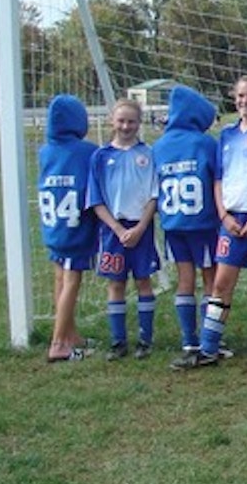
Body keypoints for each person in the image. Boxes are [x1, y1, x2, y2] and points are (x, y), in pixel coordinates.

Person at [172, 75, 247, 369]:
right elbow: (218, 178)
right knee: (222, 283)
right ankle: (208, 348)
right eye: (240, 96)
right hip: (231, 219)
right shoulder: (226, 135)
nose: (245, 101)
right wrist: (223, 214)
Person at [153, 85, 223, 358]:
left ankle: (188, 340)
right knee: (211, 281)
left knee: (184, 279)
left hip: (172, 224)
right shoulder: (205, 143)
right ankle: (210, 338)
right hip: (202, 224)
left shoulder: (159, 146)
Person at [88, 99, 160, 360]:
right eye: (121, 121)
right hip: (112, 230)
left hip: (141, 228)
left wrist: (141, 226)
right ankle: (118, 342)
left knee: (143, 280)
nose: (126, 126)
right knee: (116, 283)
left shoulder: (148, 154)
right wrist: (118, 229)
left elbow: (154, 195)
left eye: (131, 121)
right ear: (111, 121)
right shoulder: (100, 156)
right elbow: (95, 200)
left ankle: (145, 340)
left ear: (139, 123)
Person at [38, 94, 99, 362]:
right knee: (72, 281)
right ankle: (58, 342)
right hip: (75, 228)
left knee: (60, 278)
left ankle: (70, 332)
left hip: (53, 227)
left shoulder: (45, 151)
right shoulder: (86, 151)